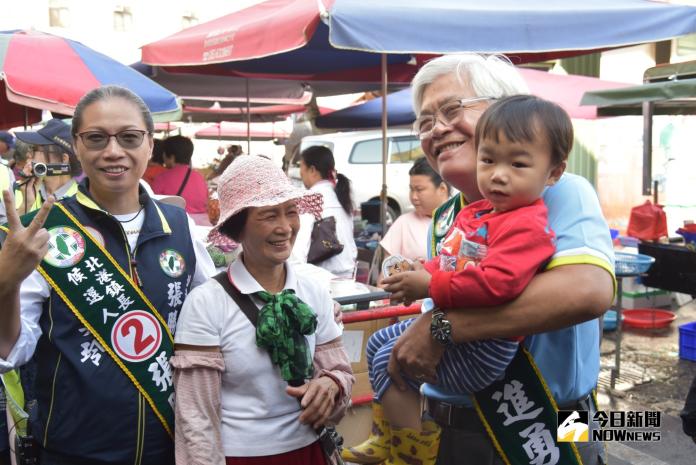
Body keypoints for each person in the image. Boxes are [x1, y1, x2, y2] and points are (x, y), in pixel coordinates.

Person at [383, 54, 615, 465]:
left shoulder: (559, 191)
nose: (437, 128)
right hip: (451, 428)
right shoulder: (450, 214)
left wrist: (439, 328)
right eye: (425, 121)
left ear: (507, 110)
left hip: (549, 427)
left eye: (452, 109)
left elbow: (587, 290)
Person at [345, 95, 570, 465]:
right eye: (488, 159)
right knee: (379, 345)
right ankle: (388, 435)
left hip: (509, 371)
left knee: (391, 357)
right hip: (460, 379)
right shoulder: (475, 210)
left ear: (553, 172)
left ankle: (410, 452)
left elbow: (505, 285)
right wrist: (424, 272)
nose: (498, 174)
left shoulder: (536, 215)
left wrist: (430, 289)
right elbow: (452, 261)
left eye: (517, 163)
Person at [0, 84, 215, 465]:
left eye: (130, 137)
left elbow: (216, 321)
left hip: (170, 446)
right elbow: (11, 352)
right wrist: (5, 282)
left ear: (150, 144)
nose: (113, 152)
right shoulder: (42, 233)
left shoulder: (179, 228)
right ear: (77, 147)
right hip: (73, 451)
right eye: (96, 138)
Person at [173, 154, 353, 464]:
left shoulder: (313, 291)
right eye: (269, 215)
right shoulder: (207, 303)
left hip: (310, 451)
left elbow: (340, 373)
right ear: (238, 228)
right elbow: (196, 416)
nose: (285, 227)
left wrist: (330, 385)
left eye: (291, 212)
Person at [291, 145, 358, 278]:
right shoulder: (341, 195)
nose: (300, 173)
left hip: (323, 278)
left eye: (301, 167)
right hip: (349, 275)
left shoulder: (310, 198)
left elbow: (298, 251)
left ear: (312, 170)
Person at [378, 156, 450, 277]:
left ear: (442, 189)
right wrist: (408, 267)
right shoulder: (403, 223)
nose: (414, 196)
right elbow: (387, 275)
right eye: (411, 189)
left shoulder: (460, 219)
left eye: (419, 189)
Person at [13, 118, 82, 216]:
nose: (28, 154)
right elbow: (4, 231)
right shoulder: (17, 188)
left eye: (34, 149)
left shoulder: (83, 199)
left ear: (63, 159)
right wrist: (26, 205)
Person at [152, 135, 208, 218]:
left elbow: (153, 206)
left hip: (176, 224)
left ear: (172, 157)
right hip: (201, 226)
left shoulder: (162, 178)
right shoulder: (200, 177)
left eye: (163, 154)